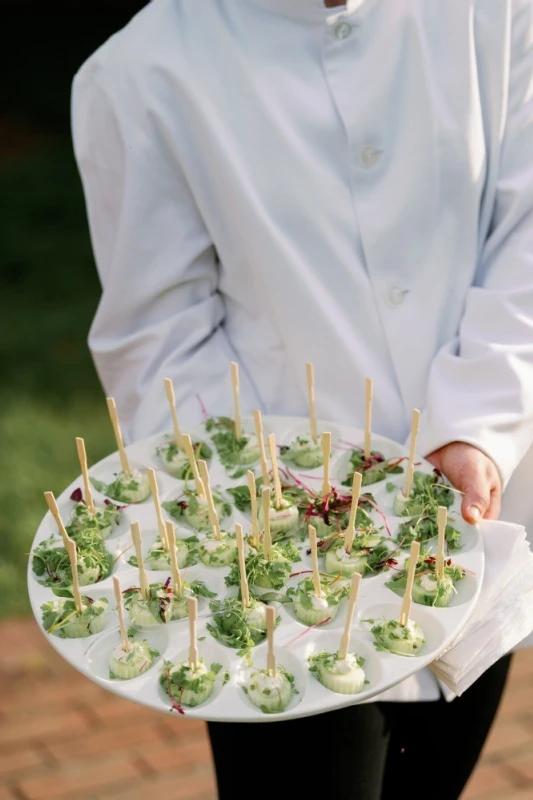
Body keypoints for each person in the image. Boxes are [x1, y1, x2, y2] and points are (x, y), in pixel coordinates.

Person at [71, 1, 533, 797]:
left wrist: (477, 429)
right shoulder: (140, 70)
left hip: (476, 531)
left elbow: (523, 231)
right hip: (279, 587)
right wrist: (276, 521)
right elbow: (159, 337)